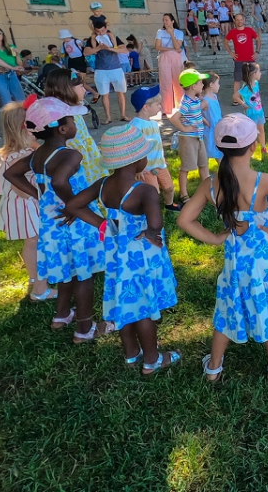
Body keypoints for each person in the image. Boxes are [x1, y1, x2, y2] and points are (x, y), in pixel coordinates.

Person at [177, 114, 268, 383]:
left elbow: (184, 219)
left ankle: (213, 367)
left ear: (220, 148)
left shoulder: (210, 184)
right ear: (254, 145)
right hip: (265, 262)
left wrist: (213, 238)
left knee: (226, 307)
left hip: (234, 263)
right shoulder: (264, 181)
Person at [65, 124, 180, 373]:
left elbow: (74, 205)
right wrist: (151, 233)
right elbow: (156, 222)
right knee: (145, 310)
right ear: (138, 159)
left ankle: (131, 353)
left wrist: (103, 224)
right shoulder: (145, 190)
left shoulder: (103, 184)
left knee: (124, 304)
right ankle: (152, 359)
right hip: (141, 258)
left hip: (117, 256)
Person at [4, 97, 112, 342]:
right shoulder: (70, 155)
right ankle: (84, 328)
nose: (75, 123)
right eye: (72, 120)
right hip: (74, 224)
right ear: (63, 128)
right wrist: (74, 206)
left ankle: (61, 315)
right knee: (84, 276)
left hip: (53, 225)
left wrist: (40, 196)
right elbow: (59, 182)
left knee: (67, 272)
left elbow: (12, 173)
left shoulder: (39, 154)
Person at [0, 101, 52, 301]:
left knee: (31, 243)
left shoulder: (5, 156)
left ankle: (34, 279)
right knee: (39, 242)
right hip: (28, 204)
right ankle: (40, 290)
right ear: (24, 128)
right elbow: (21, 188)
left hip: (18, 205)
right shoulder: (24, 155)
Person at [43, 69, 107, 183]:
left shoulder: (74, 107)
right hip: (72, 159)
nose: (85, 90)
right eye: (81, 87)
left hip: (87, 154)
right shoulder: (57, 114)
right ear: (67, 89)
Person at [129, 86, 181, 212]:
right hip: (145, 169)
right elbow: (133, 150)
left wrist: (161, 158)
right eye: (158, 104)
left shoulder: (153, 124)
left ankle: (169, 205)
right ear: (146, 107)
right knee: (153, 193)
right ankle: (151, 212)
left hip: (159, 164)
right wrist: (138, 169)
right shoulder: (134, 127)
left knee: (169, 187)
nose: (160, 106)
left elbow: (157, 143)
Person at [169, 69, 210, 203]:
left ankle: (208, 189)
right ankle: (183, 194)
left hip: (198, 137)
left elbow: (195, 114)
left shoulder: (195, 99)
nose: (203, 85)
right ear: (193, 86)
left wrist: (202, 120)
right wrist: (184, 128)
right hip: (188, 139)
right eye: (200, 83)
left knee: (203, 164)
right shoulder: (186, 102)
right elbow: (175, 118)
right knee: (186, 167)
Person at [86, 18, 127, 124]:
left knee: (120, 93)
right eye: (98, 31)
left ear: (106, 29)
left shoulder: (113, 37)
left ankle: (123, 115)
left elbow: (124, 50)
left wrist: (110, 49)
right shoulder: (92, 39)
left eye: (103, 31)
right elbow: (86, 52)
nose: (101, 33)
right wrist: (98, 48)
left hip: (116, 68)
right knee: (105, 94)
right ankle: (108, 117)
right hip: (101, 70)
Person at [0, 26, 26, 106]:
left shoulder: (10, 48)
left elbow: (19, 64)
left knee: (21, 99)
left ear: (3, 35)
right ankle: (8, 117)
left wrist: (17, 54)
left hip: (12, 74)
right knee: (6, 101)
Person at [224, 13, 260, 105]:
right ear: (235, 21)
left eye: (241, 19)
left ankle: (253, 95)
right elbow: (225, 42)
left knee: (252, 78)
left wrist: (257, 52)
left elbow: (258, 40)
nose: (239, 21)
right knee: (237, 79)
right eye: (237, 20)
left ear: (244, 20)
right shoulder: (232, 32)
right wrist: (231, 53)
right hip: (239, 60)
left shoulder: (249, 30)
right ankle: (236, 99)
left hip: (250, 59)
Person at [155, 13, 185, 116]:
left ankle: (180, 107)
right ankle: (165, 108)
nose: (165, 22)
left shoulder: (179, 33)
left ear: (172, 21)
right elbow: (158, 47)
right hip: (164, 57)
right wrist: (172, 49)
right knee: (165, 83)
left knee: (178, 83)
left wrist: (171, 34)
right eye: (164, 20)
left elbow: (178, 46)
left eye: (167, 20)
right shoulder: (160, 32)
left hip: (176, 58)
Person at [234, 62, 267, 157]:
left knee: (261, 129)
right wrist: (243, 104)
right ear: (253, 74)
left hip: (259, 112)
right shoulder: (246, 87)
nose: (260, 73)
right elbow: (235, 96)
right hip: (251, 114)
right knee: (251, 133)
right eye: (259, 71)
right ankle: (249, 150)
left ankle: (263, 147)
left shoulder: (256, 83)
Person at [201, 72, 223, 163]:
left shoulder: (214, 96)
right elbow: (195, 113)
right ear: (211, 85)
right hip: (210, 129)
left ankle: (224, 171)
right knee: (207, 150)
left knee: (219, 150)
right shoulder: (205, 100)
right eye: (217, 83)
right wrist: (203, 119)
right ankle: (205, 171)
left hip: (218, 127)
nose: (219, 85)